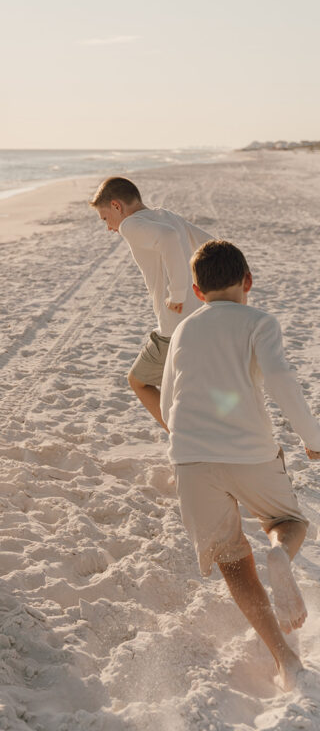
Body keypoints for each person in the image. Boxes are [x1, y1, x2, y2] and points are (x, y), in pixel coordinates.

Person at [161, 240, 320, 690]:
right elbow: (281, 378)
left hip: (190, 459)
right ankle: (279, 554)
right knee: (288, 520)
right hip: (249, 450)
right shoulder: (260, 322)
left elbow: (169, 397)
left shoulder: (184, 330)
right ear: (248, 280)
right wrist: (313, 440)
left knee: (232, 561)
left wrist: (190, 448)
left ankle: (286, 661)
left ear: (196, 289)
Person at [90, 176, 211, 428]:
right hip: (203, 316)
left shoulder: (130, 225)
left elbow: (167, 239)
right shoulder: (167, 215)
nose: (109, 227)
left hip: (174, 329)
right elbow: (211, 244)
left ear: (116, 206)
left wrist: (177, 294)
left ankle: (183, 439)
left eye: (105, 218)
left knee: (138, 381)